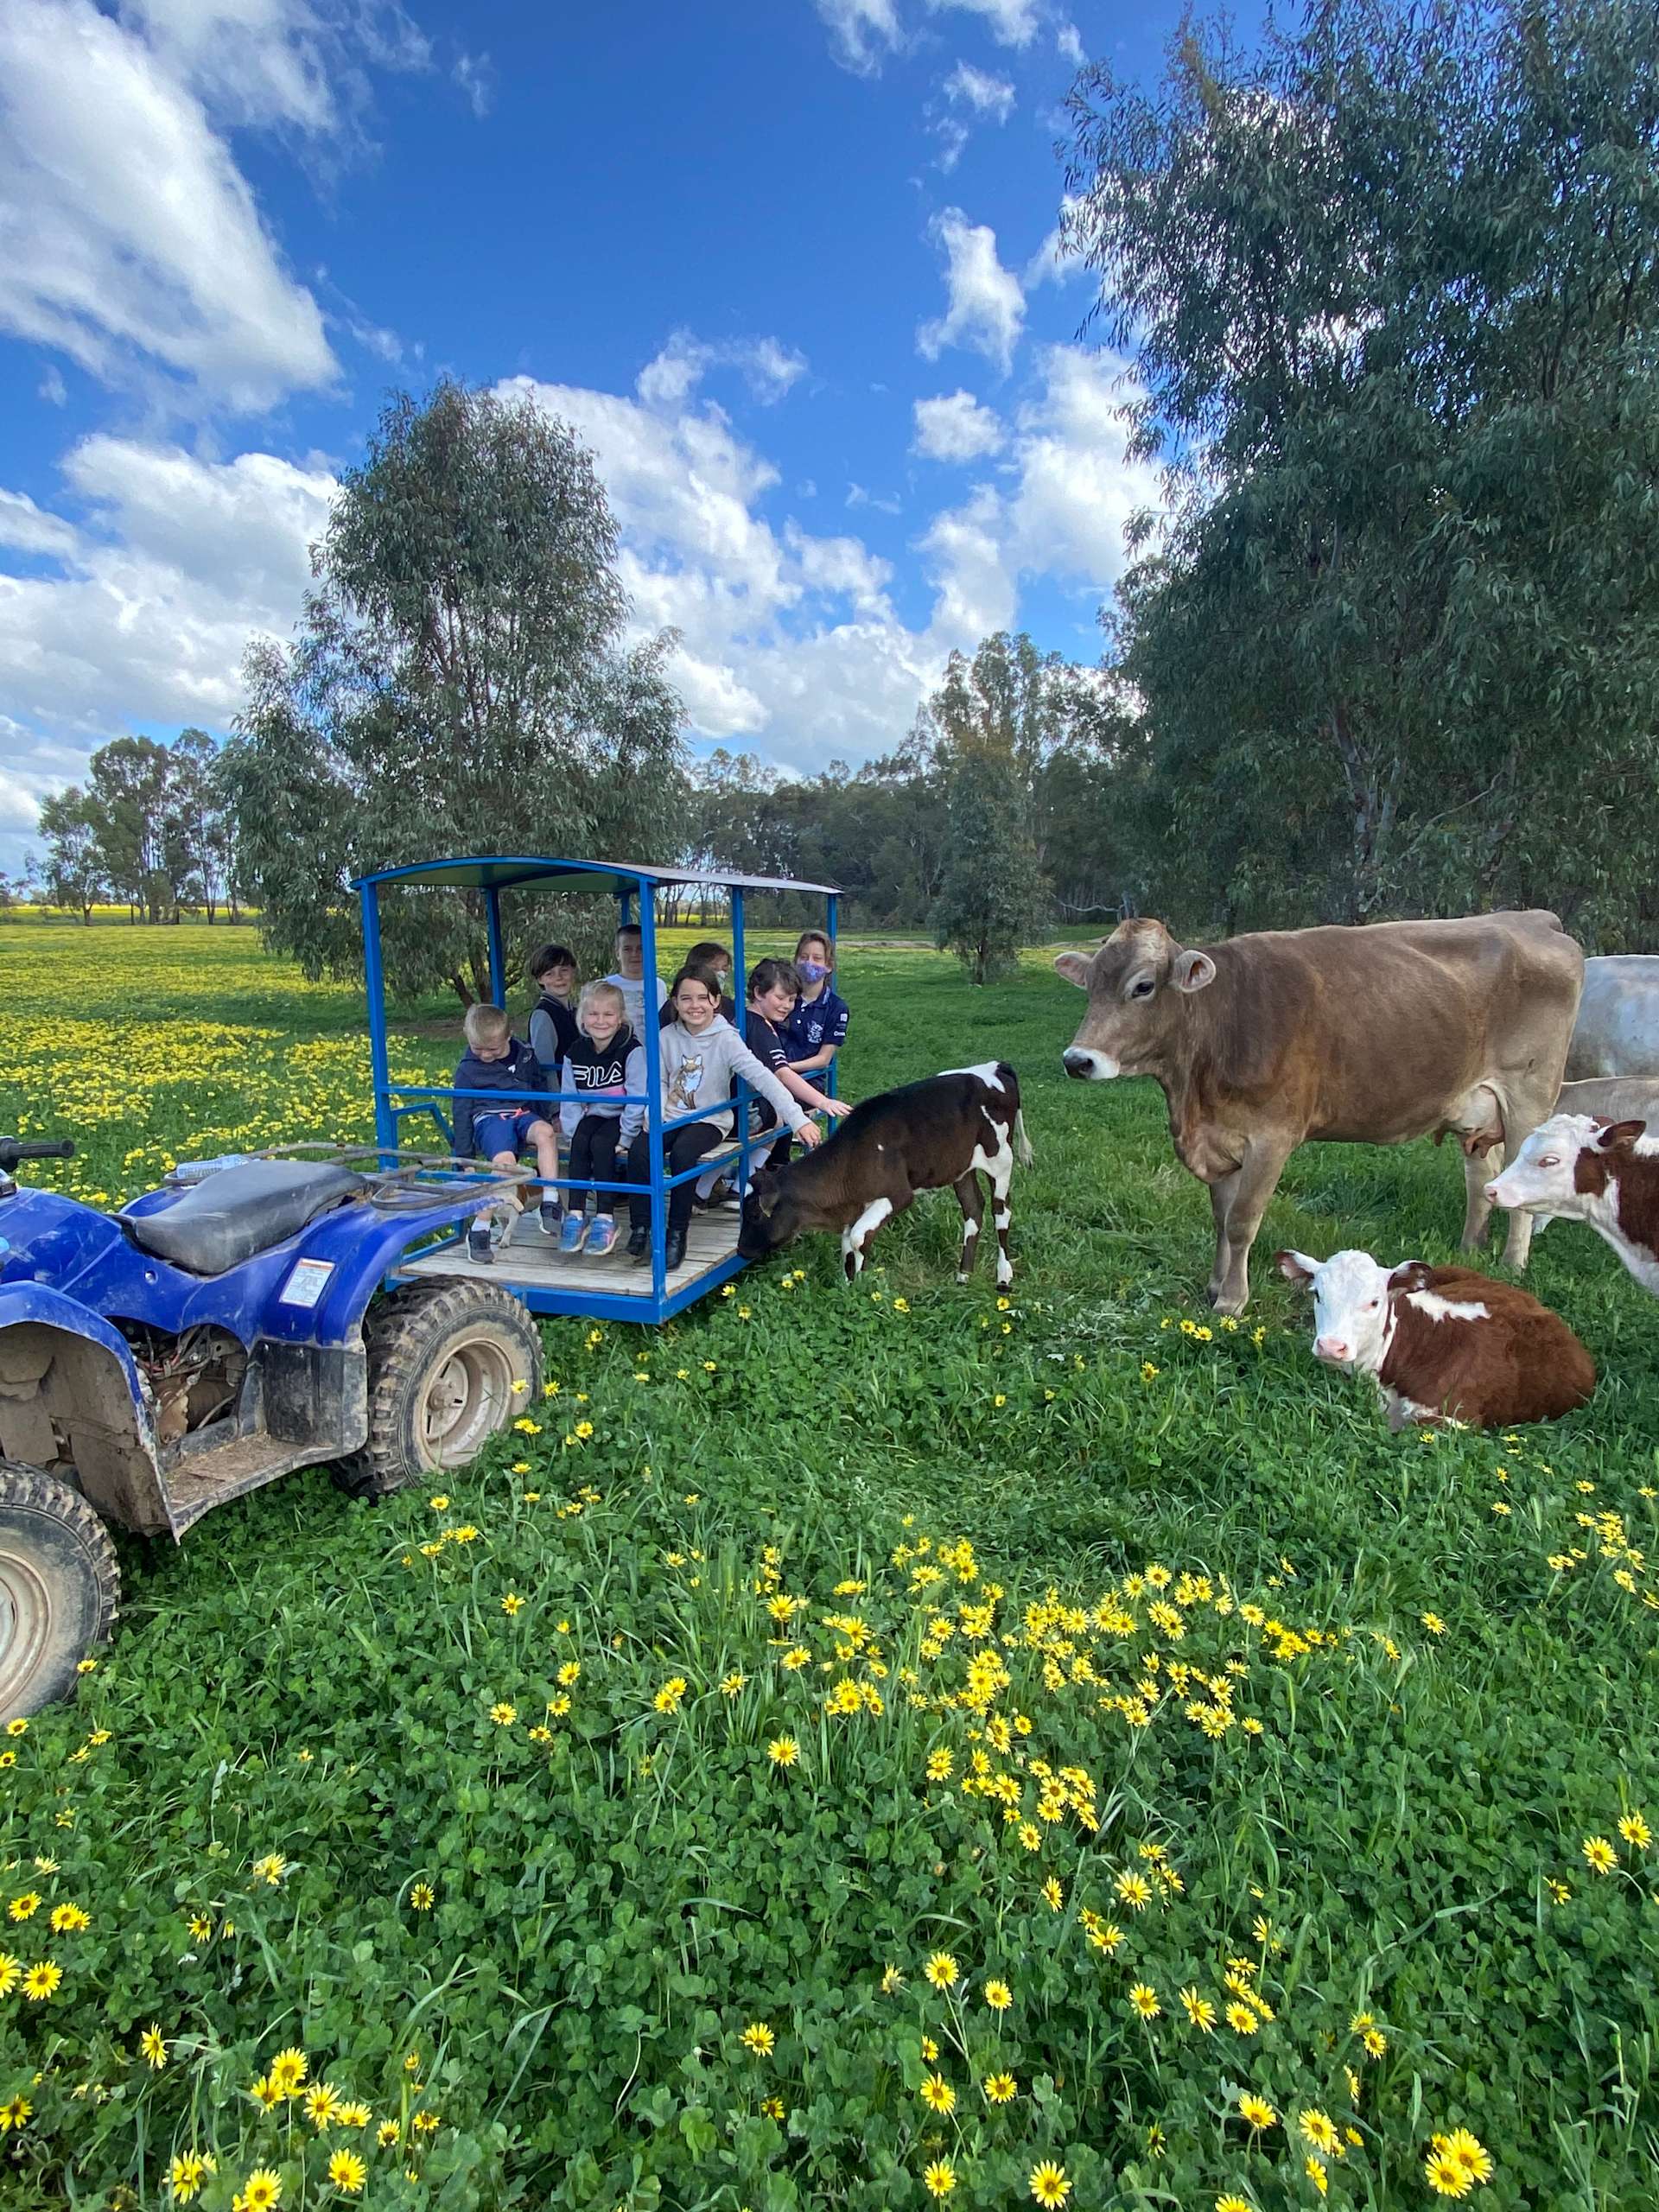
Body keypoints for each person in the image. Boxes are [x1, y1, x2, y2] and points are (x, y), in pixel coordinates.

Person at [625, 969, 821, 1270]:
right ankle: (642, 1227)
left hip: (710, 1120)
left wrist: (798, 1119)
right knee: (640, 1151)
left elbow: (764, 1078)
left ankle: (676, 1233)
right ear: (675, 1002)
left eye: (703, 998)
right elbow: (661, 1081)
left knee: (683, 1155)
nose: (695, 1005)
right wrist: (656, 1113)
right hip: (671, 1115)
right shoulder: (665, 1037)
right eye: (686, 998)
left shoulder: (726, 1039)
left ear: (716, 1001)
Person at [449, 1004, 561, 1262]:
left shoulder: (525, 1056)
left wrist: (547, 1117)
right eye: (478, 1048)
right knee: (505, 1164)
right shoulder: (468, 1070)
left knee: (545, 1133)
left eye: (493, 1049)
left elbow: (538, 1086)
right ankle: (480, 1228)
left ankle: (550, 1199)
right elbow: (461, 1111)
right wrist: (465, 1157)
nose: (485, 1055)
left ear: (508, 1036)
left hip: (522, 1113)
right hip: (490, 1118)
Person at [556, 981, 645, 1260]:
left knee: (603, 1144)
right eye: (593, 1014)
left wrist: (627, 1136)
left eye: (608, 1014)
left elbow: (638, 1096)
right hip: (594, 1113)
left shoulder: (631, 1049)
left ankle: (605, 1217)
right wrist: (572, 1131)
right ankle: (576, 1213)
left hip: (622, 1115)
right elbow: (569, 1097)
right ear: (583, 1018)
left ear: (620, 1018)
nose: (601, 1021)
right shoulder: (575, 1053)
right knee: (581, 1140)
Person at [745, 957, 851, 1173]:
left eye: (792, 1000)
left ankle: (746, 1178)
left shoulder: (749, 1019)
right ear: (758, 993)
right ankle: (746, 1182)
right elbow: (782, 1073)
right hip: (740, 1110)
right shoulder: (760, 1029)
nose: (786, 1006)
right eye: (780, 998)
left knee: (778, 1113)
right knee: (778, 1118)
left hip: (733, 1103)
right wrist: (822, 1101)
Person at [782, 930, 849, 1090]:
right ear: (796, 961)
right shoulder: (783, 998)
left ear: (828, 966)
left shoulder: (836, 1007)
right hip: (772, 1079)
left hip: (809, 1082)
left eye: (817, 958)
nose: (809, 963)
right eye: (804, 957)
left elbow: (823, 1059)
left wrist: (785, 1069)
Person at [605, 922, 668, 1039]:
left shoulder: (658, 985)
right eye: (627, 949)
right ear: (617, 953)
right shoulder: (606, 985)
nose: (635, 954)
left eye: (640, 949)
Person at [527, 944, 580, 1076]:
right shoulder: (543, 1014)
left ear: (573, 971)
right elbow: (545, 1067)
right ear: (540, 979)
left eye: (564, 970)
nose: (558, 978)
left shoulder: (575, 1011)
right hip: (560, 1088)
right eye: (549, 974)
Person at [658, 940, 737, 1026]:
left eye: (725, 970)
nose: (721, 974)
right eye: (713, 969)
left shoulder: (728, 1005)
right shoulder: (671, 1009)